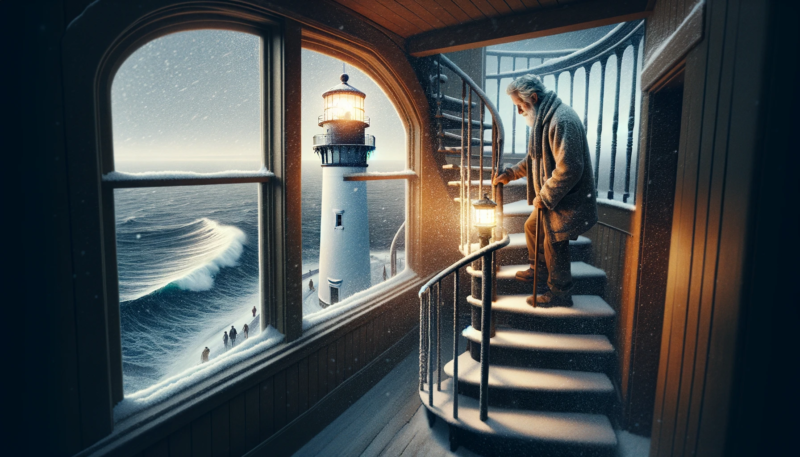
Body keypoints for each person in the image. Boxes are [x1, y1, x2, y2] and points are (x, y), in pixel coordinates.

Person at [492, 74, 597, 307]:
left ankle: (560, 294)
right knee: (531, 226)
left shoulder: (561, 120)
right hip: (555, 199)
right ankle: (537, 269)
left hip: (566, 200)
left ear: (534, 98)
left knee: (554, 243)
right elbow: (534, 159)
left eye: (520, 106)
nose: (519, 112)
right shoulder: (544, 120)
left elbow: (570, 168)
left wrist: (546, 196)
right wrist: (510, 175)